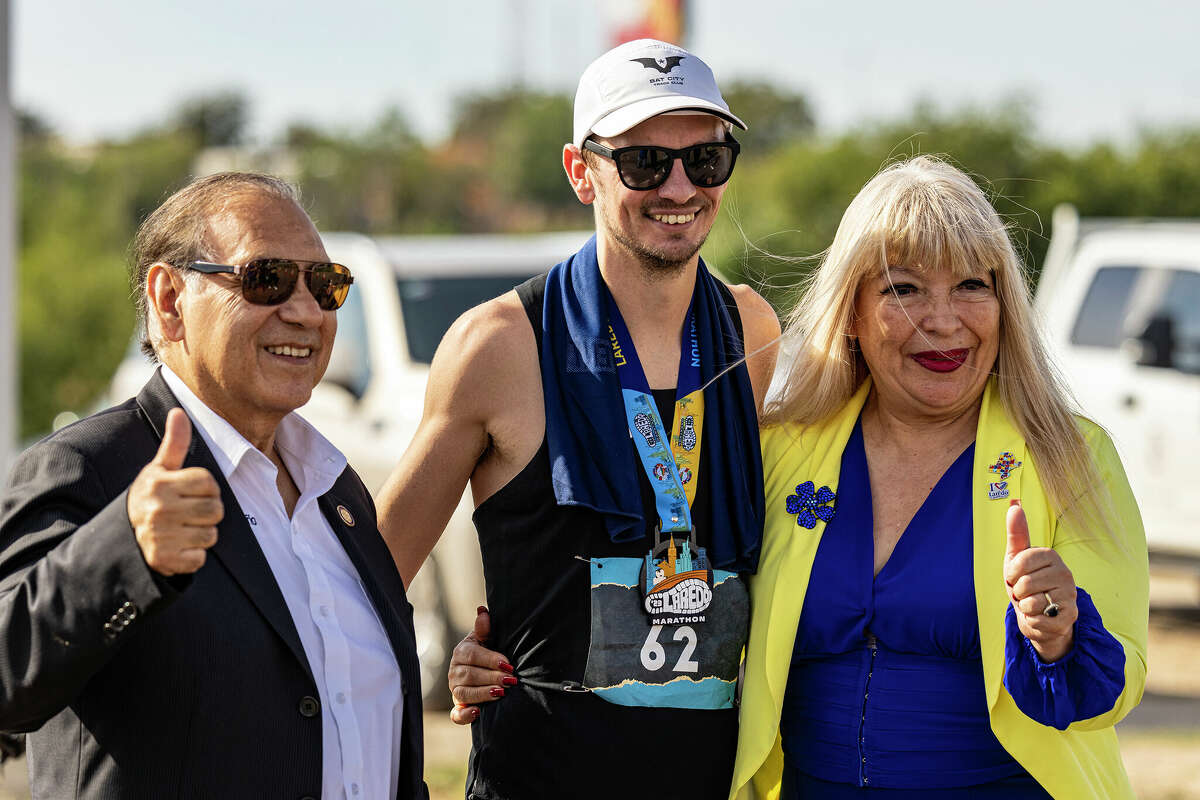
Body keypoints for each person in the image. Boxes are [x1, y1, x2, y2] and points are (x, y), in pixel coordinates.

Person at [377, 39, 780, 799]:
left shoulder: (752, 331)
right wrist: (448, 668)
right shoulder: (497, 345)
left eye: (707, 160)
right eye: (644, 163)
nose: (680, 186)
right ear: (580, 171)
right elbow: (364, 581)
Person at [0, 172, 428, 799]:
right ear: (170, 299)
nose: (306, 310)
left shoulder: (337, 491)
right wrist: (123, 549)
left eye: (326, 284)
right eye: (267, 279)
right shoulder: (85, 468)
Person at [731, 156, 1148, 798]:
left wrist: (1061, 634)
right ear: (853, 309)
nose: (944, 319)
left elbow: (1114, 687)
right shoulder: (777, 447)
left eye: (972, 286)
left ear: (1005, 303)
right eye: (904, 289)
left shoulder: (1071, 454)